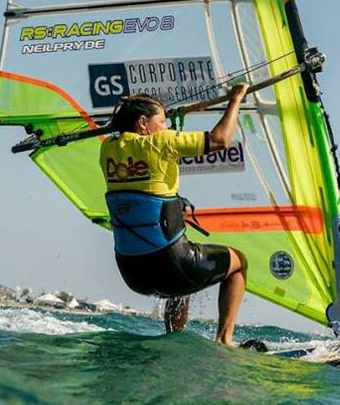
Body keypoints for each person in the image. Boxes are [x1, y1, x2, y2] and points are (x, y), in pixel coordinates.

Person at [100, 85, 249, 345]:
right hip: (171, 266)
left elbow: (143, 148)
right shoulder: (162, 142)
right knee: (240, 262)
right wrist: (235, 100)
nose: (166, 126)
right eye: (162, 121)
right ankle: (225, 339)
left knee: (175, 252)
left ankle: (174, 338)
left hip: (132, 272)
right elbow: (219, 140)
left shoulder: (108, 149)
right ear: (143, 123)